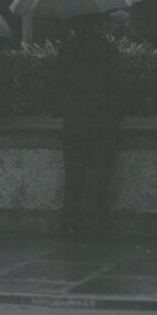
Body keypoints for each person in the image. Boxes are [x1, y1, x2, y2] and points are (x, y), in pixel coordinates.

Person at [55, 15, 121, 243]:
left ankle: (70, 224)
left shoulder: (67, 48)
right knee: (99, 173)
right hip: (102, 120)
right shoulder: (108, 49)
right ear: (98, 23)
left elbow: (58, 82)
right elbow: (117, 86)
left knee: (73, 173)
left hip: (74, 119)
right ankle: (96, 224)